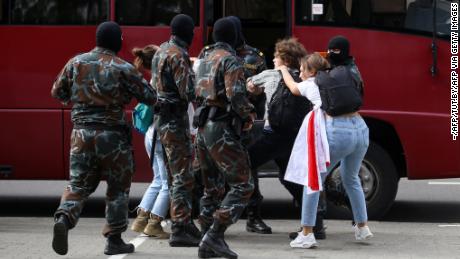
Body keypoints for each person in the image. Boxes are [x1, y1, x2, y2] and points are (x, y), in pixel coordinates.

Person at [51, 21, 157, 256]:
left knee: (78, 184)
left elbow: (57, 92)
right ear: (117, 42)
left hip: (81, 134)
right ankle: (114, 240)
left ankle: (64, 218)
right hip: (113, 137)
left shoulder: (76, 62)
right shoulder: (123, 68)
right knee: (117, 189)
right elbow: (149, 96)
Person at [278, 37, 373, 249]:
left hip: (338, 131)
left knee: (313, 181)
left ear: (312, 71)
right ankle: (362, 226)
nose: (301, 73)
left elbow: (293, 87)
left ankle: (307, 233)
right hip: (360, 128)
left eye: (303, 69)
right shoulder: (351, 73)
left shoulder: (314, 83)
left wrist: (283, 69)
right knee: (351, 178)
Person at [194, 17, 256, 259]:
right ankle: (214, 236)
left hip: (202, 128)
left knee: (211, 187)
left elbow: (193, 90)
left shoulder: (203, 58)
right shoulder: (231, 61)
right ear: (234, 35)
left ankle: (206, 236)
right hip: (220, 127)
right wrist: (249, 114)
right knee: (243, 184)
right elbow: (237, 97)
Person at [246, 37, 311, 224]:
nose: (273, 60)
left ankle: (253, 216)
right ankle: (315, 219)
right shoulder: (302, 76)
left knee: (247, 162)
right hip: (294, 135)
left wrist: (254, 88)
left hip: (273, 134)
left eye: (276, 56)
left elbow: (249, 85)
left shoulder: (271, 74)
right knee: (288, 177)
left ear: (285, 60)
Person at [150, 14, 201, 247]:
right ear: (187, 32)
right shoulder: (178, 55)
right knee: (183, 175)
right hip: (175, 121)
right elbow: (188, 92)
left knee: (173, 174)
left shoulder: (161, 50)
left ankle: (182, 220)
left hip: (162, 121)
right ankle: (180, 227)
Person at [227, 15, 271, 234]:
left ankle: (253, 217)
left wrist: (256, 118)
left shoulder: (254, 56)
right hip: (221, 121)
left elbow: (263, 90)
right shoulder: (214, 53)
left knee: (249, 168)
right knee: (215, 171)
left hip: (245, 122)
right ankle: (214, 219)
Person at [129, 45, 170, 239]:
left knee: (158, 179)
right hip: (160, 136)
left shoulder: (152, 79)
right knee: (168, 183)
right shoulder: (163, 79)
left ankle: (140, 218)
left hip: (151, 135)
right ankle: (154, 223)